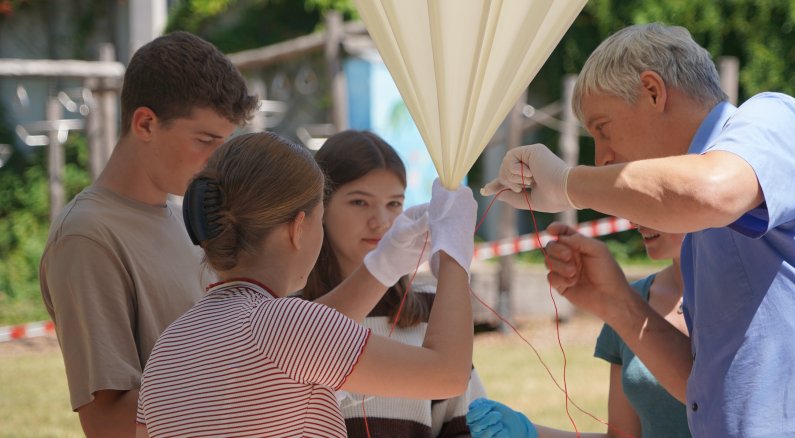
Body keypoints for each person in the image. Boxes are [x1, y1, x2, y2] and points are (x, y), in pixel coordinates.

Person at [482, 23, 795, 436]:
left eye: (603, 129)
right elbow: (705, 390)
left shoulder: (774, 117)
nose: (602, 157)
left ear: (653, 91)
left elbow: (710, 190)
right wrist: (617, 304)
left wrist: (567, 185)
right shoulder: (700, 236)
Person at [136, 131, 478, 437]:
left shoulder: (169, 346)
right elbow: (448, 373)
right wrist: (453, 253)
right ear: (298, 228)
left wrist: (382, 266)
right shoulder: (284, 326)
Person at [39, 31, 258, 437]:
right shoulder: (87, 237)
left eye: (224, 144)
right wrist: (244, 373)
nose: (217, 161)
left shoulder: (179, 216)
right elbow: (107, 424)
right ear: (145, 124)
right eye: (206, 141)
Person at [300, 130, 488, 437]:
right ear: (320, 207)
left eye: (394, 203)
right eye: (359, 202)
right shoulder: (289, 312)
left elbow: (464, 425)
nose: (381, 221)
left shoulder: (429, 308)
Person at [466, 225, 690, 438]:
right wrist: (528, 432)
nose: (634, 220)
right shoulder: (631, 300)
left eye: (655, 200)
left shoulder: (725, 305)